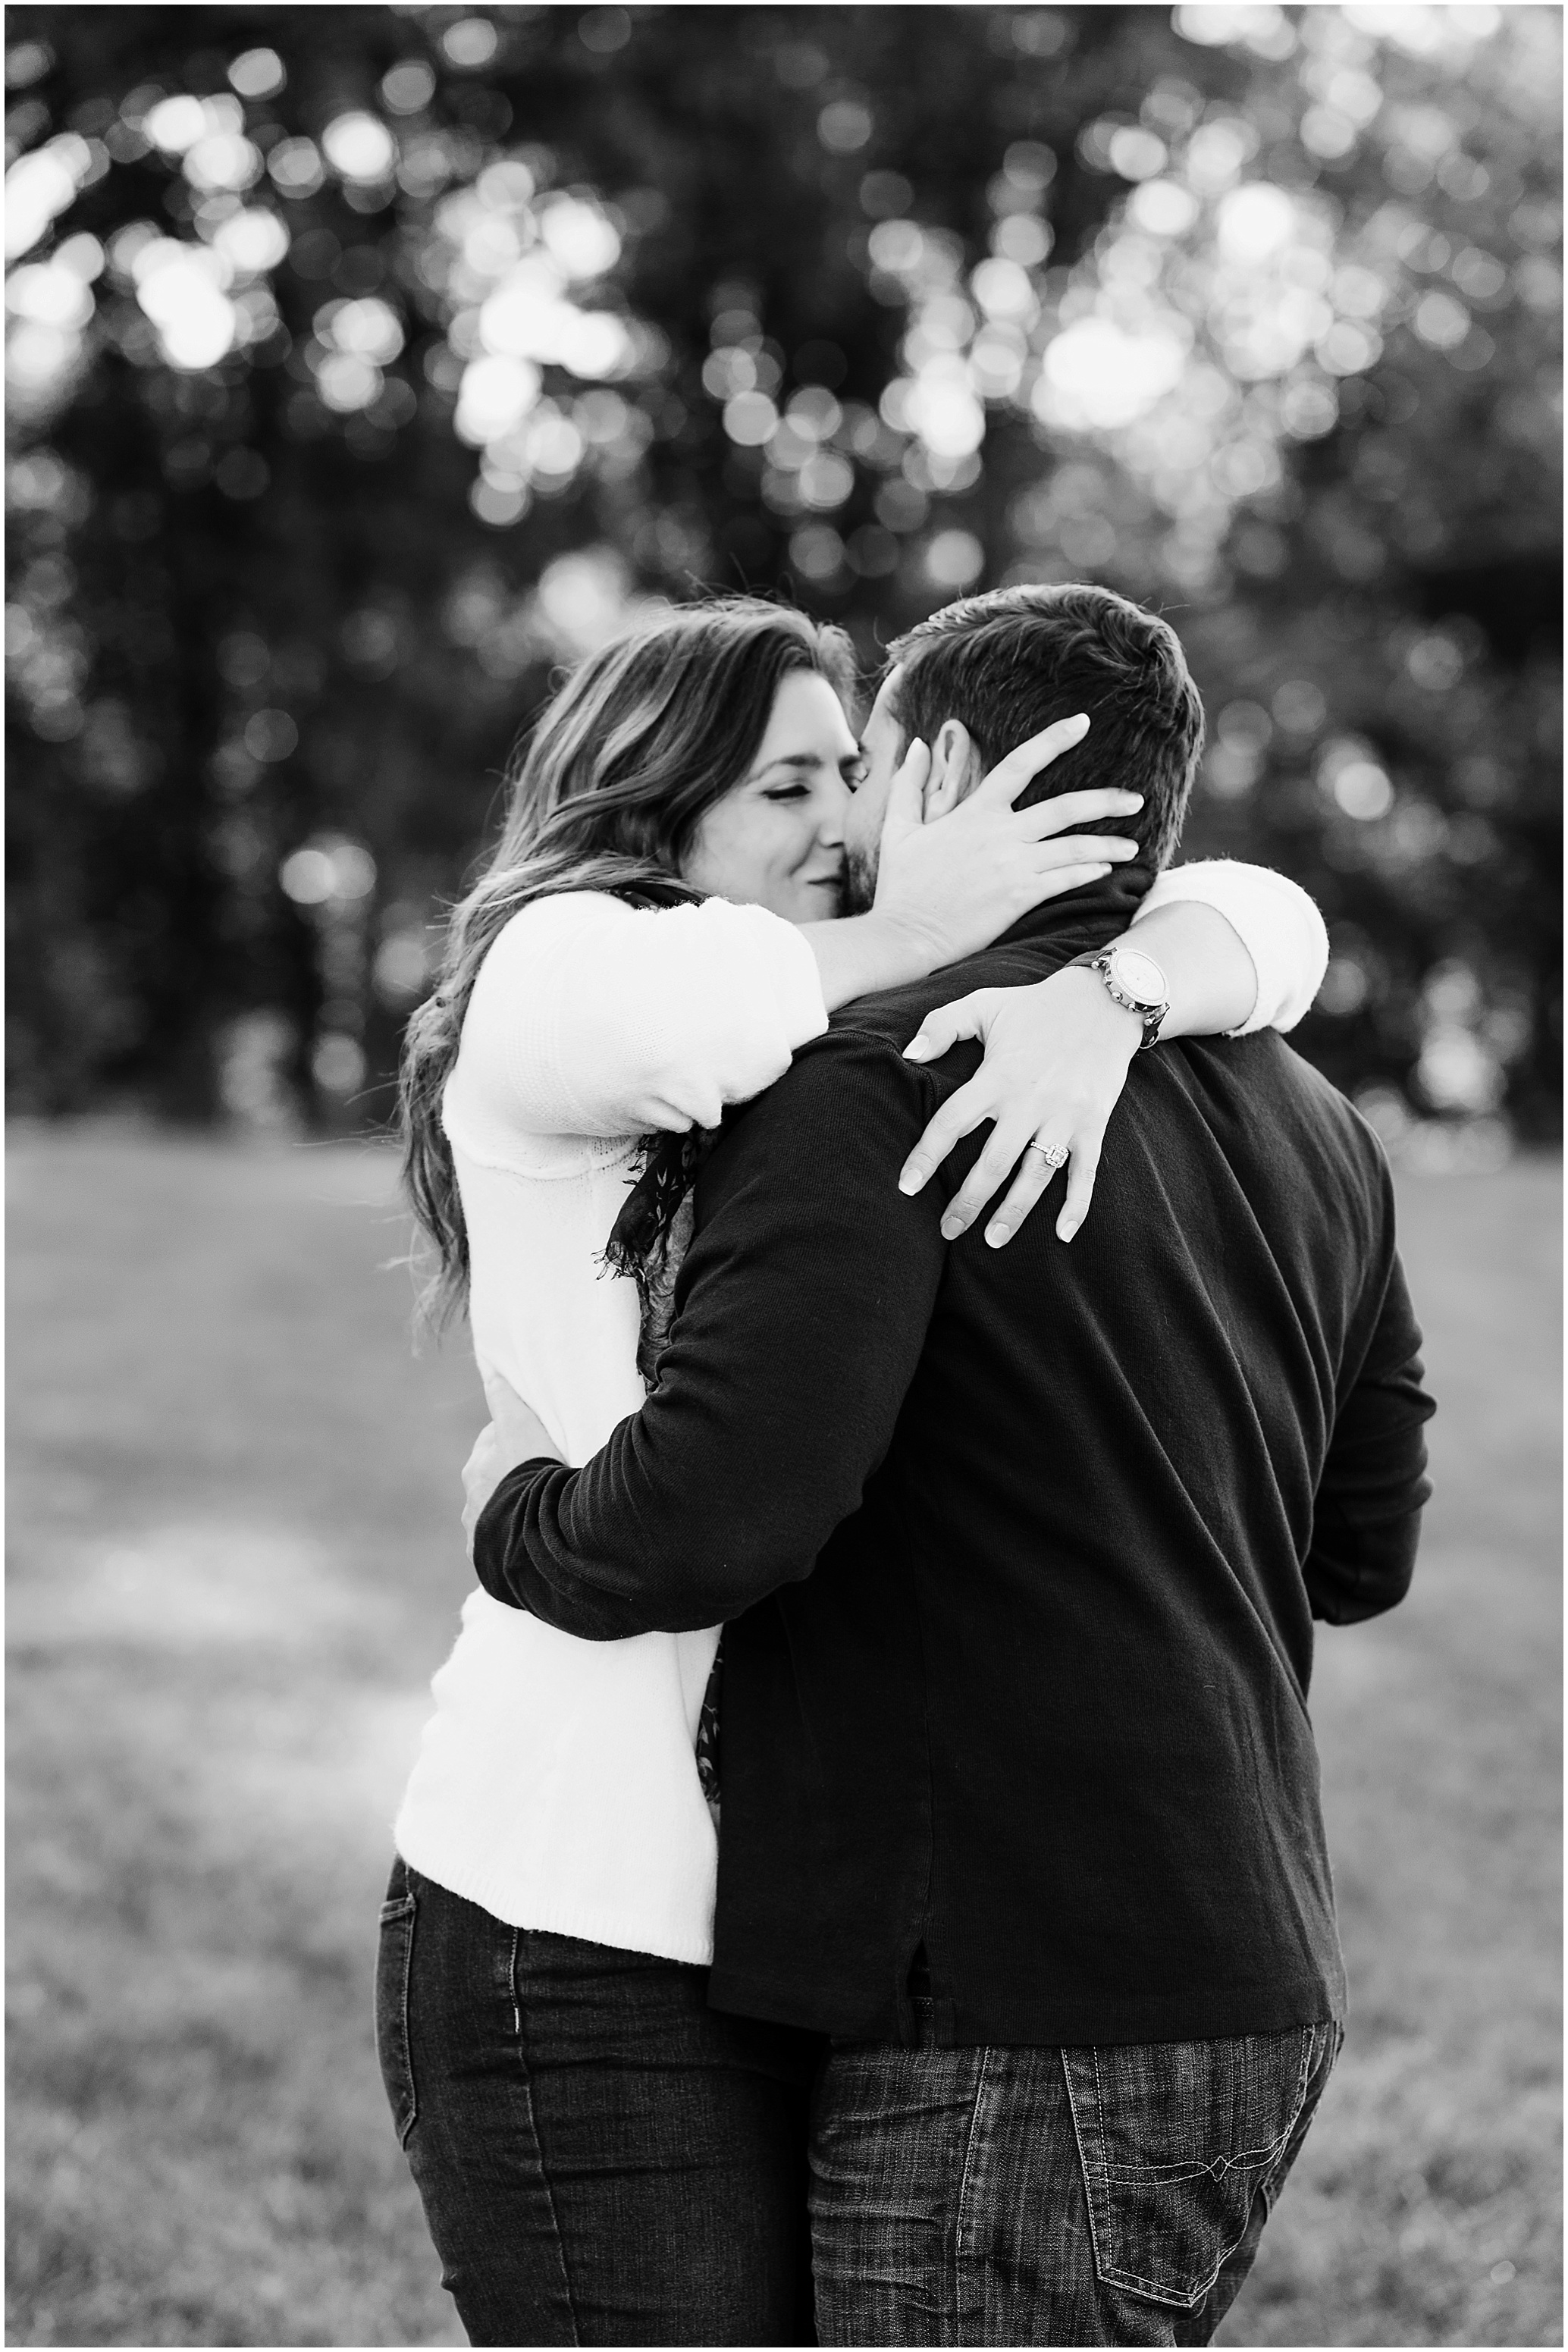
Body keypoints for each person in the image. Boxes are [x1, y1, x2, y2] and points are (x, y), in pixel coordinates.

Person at [467, 583, 1436, 2349]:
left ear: (938, 771)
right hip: (1250, 1971)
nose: (846, 819)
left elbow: (724, 1509)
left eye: (865, 766)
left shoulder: (870, 1079)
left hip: (1017, 2001)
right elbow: (1358, 1549)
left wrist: (506, 1507)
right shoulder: (1319, 1124)